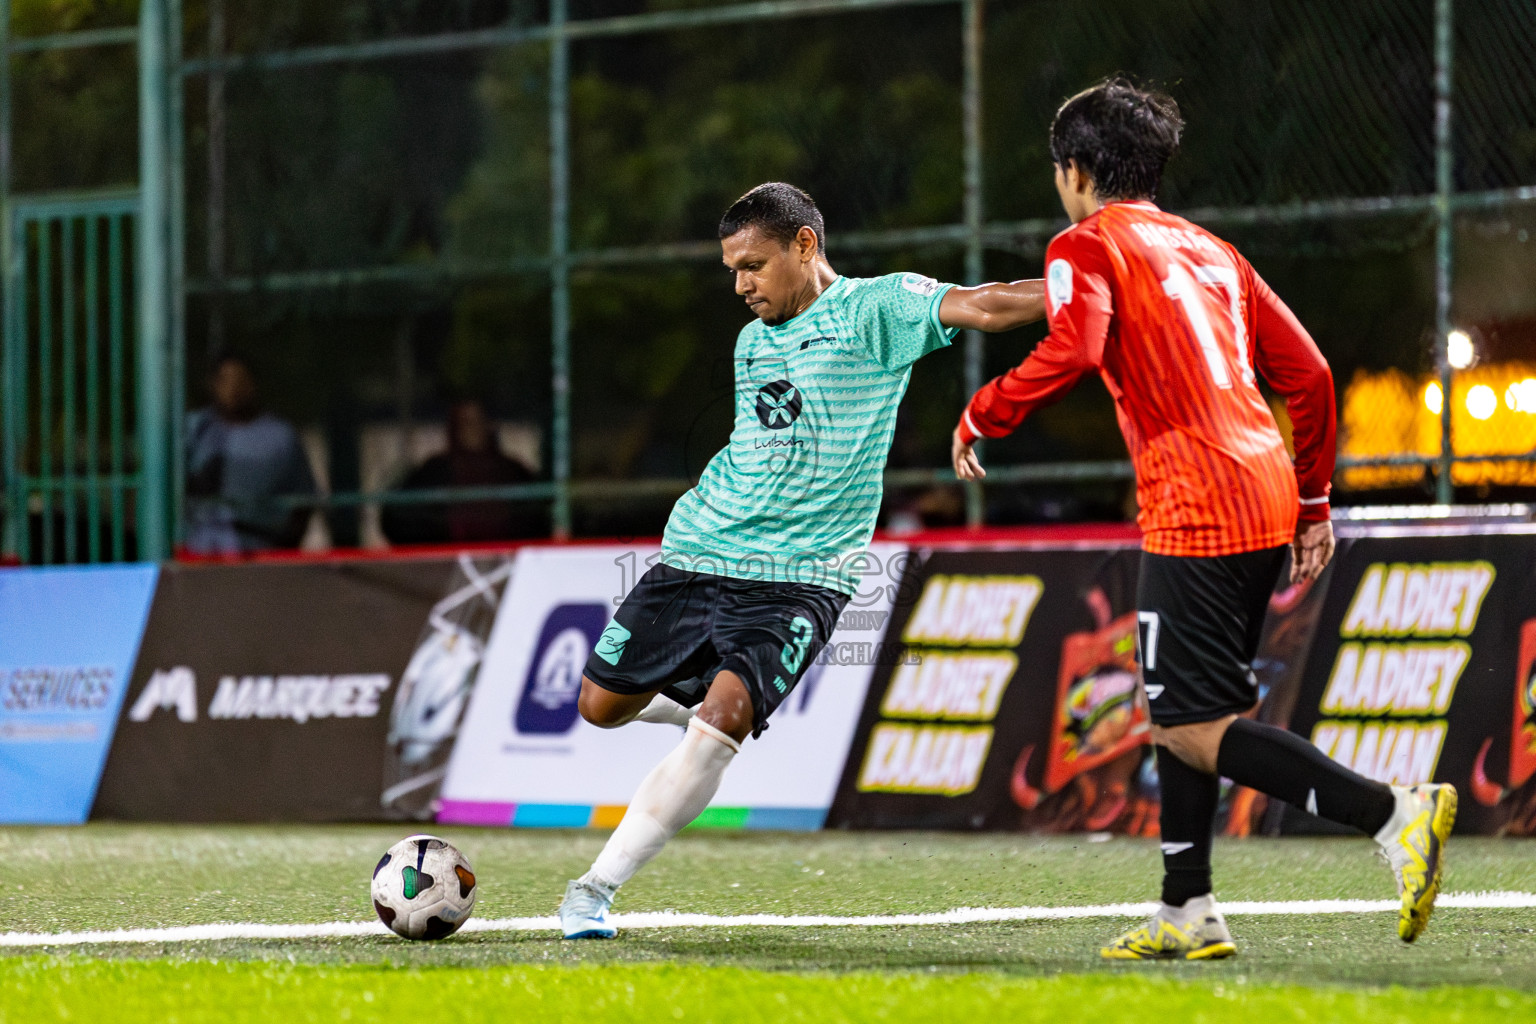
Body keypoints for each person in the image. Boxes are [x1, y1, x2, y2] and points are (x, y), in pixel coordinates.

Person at [951, 79, 1455, 959]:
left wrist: (984, 410)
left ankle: (1392, 815)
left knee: (1189, 723)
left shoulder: (1085, 241)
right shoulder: (1213, 250)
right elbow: (1311, 376)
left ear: (1074, 169)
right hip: (1262, 489)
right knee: (1185, 707)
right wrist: (1311, 499)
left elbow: (1075, 346)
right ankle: (1188, 909)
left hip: (1195, 501)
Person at [557, 182, 1046, 939]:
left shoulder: (876, 310)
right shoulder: (752, 342)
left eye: (753, 264)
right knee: (600, 706)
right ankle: (699, 715)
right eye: (731, 270)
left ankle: (593, 890)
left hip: (805, 575)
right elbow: (763, 446)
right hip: (700, 550)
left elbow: (988, 304)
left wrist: (1099, 289)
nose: (741, 284)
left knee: (721, 722)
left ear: (805, 246)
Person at [184, 353, 317, 555]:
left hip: (258, 553)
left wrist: (283, 553)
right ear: (212, 385)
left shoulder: (281, 436)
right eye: (224, 380)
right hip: (196, 554)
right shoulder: (194, 429)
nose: (233, 389)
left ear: (253, 384)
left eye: (240, 380)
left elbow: (303, 502)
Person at [381, 399, 548, 545]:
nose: (473, 428)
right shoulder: (434, 471)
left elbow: (539, 518)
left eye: (479, 420)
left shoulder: (512, 471)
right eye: (465, 422)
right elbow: (400, 521)